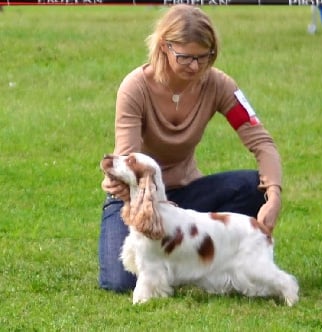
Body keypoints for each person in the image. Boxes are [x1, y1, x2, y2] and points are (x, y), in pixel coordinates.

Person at [99, 4, 282, 292]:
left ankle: (208, 262)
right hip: (137, 200)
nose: (196, 66)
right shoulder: (135, 87)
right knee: (120, 282)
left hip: (188, 196)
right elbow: (126, 161)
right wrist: (138, 198)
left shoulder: (220, 85)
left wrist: (273, 194)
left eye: (203, 57)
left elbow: (262, 142)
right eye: (185, 57)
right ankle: (188, 262)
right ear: (164, 47)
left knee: (251, 186)